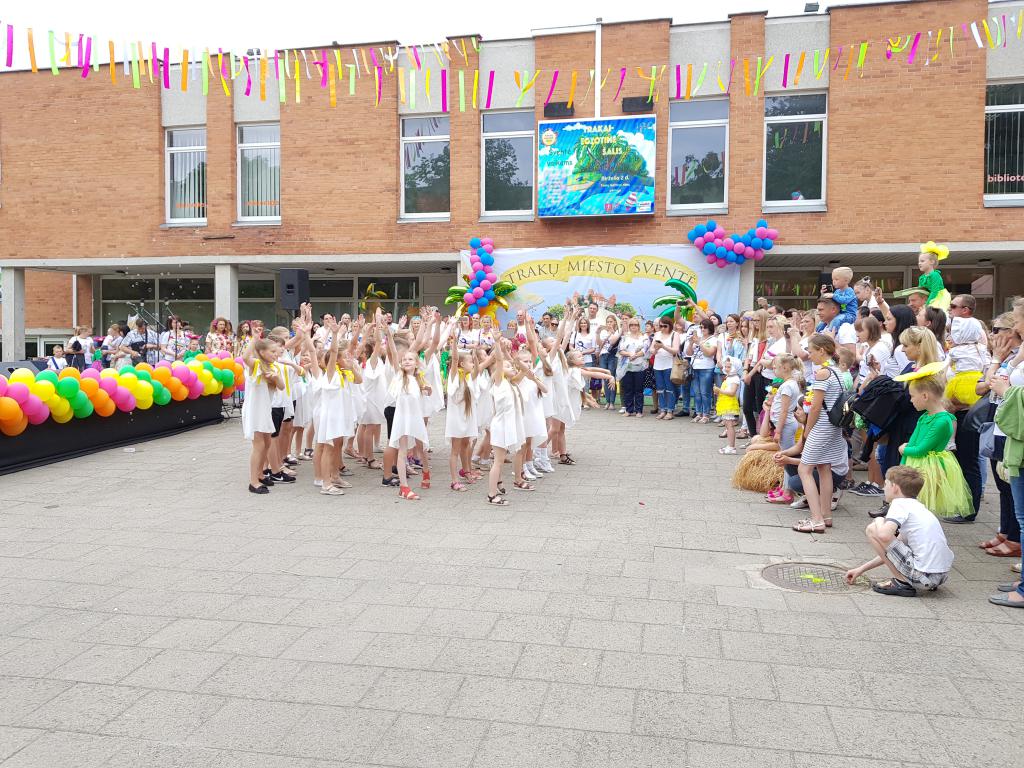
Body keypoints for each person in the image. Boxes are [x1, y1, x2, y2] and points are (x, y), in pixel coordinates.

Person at [844, 466, 954, 596]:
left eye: (885, 484)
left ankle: (902, 583)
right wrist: (861, 569)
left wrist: (879, 520)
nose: (884, 489)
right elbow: (893, 551)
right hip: (939, 577)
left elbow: (884, 536)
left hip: (922, 577)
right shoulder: (918, 507)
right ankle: (904, 579)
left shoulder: (899, 504)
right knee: (887, 536)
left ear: (895, 487)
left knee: (872, 529)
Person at [781, 334, 848, 533]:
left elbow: (816, 408)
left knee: (804, 469)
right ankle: (826, 515)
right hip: (834, 427)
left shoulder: (823, 374)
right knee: (824, 467)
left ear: (822, 350)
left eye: (811, 351)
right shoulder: (837, 371)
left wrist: (807, 431)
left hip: (822, 426)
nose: (809, 355)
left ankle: (816, 518)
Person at [893, 370, 974, 519]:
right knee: (909, 503)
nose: (910, 400)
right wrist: (905, 458)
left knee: (920, 504)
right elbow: (915, 441)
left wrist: (904, 449)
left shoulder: (942, 421)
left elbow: (920, 449)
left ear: (925, 396)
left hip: (928, 468)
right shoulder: (925, 416)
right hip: (915, 462)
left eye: (912, 396)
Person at [976, 313, 1023, 558]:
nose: (992, 335)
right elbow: (982, 385)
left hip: (1010, 423)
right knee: (1001, 481)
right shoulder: (1007, 358)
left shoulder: (1016, 358)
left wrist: (996, 361)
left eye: (997, 329)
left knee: (1009, 481)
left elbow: (993, 382)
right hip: (997, 418)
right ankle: (1006, 529)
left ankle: (1015, 536)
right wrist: (997, 360)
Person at [989, 296, 1024, 609]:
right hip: (1011, 437)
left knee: (1023, 516)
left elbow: (997, 386)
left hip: (1019, 438)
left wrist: (1005, 389)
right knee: (1008, 495)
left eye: (1014, 321)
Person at [384, 323, 431, 501]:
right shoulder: (399, 376)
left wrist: (428, 389)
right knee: (402, 450)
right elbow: (394, 355)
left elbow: (427, 390)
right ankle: (404, 487)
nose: (406, 361)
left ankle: (426, 472)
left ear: (416, 363)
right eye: (405, 360)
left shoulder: (418, 378)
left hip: (416, 418)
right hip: (402, 419)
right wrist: (389, 336)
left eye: (410, 359)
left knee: (421, 447)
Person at [240, 337, 284, 494]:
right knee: (258, 445)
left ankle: (260, 473)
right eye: (272, 351)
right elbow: (245, 357)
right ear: (262, 352)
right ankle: (253, 481)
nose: (275, 354)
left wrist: (276, 378)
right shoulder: (255, 365)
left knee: (266, 443)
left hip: (265, 410)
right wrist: (254, 339)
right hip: (255, 410)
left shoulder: (273, 367)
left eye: (276, 351)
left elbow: (281, 386)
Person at [686, 318, 718, 423]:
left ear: (710, 328)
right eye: (701, 327)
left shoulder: (713, 339)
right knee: (697, 393)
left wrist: (699, 343)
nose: (702, 329)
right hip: (695, 368)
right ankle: (698, 413)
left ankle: (706, 414)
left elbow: (709, 353)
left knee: (705, 392)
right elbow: (689, 353)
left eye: (705, 327)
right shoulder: (698, 338)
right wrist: (691, 343)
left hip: (707, 368)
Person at [617, 316, 649, 417]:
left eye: (636, 325)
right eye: (631, 325)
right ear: (629, 326)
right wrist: (629, 355)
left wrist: (635, 355)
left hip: (640, 366)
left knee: (639, 389)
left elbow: (645, 350)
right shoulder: (624, 337)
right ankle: (629, 410)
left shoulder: (644, 337)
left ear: (639, 326)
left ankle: (639, 411)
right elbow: (620, 350)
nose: (634, 327)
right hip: (627, 367)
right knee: (628, 389)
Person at [651, 316, 681, 419]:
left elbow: (675, 350)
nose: (662, 328)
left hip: (669, 364)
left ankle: (670, 410)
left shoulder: (675, 334)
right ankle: (662, 409)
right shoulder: (657, 334)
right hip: (657, 365)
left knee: (669, 388)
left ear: (670, 326)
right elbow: (651, 350)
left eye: (665, 326)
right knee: (660, 388)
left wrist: (663, 346)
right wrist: (655, 349)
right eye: (660, 326)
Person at [714, 357, 742, 454]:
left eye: (729, 367)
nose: (726, 368)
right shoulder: (729, 377)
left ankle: (731, 447)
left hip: (730, 403)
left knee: (729, 425)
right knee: (727, 424)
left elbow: (732, 392)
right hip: (725, 403)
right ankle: (730, 445)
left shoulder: (735, 378)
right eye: (725, 366)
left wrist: (719, 390)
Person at [917, 241, 951, 311]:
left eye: (922, 261)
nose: (919, 263)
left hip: (938, 299)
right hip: (928, 299)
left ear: (932, 262)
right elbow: (920, 292)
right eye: (919, 261)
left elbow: (934, 291)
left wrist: (927, 305)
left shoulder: (935, 275)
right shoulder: (922, 278)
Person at [823, 267, 857, 331]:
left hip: (849, 315)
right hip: (839, 314)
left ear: (846, 280)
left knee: (837, 320)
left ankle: (831, 334)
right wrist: (823, 295)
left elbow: (844, 300)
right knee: (823, 321)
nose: (834, 282)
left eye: (836, 279)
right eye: (833, 279)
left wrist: (833, 296)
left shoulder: (850, 291)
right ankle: (817, 333)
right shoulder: (837, 292)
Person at [598, 315, 621, 409]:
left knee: (612, 378)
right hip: (603, 355)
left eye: (611, 321)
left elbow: (612, 342)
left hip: (612, 356)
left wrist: (612, 332)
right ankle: (607, 401)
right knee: (605, 378)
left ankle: (612, 402)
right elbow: (600, 345)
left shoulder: (618, 332)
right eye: (608, 322)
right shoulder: (603, 332)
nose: (609, 323)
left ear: (615, 322)